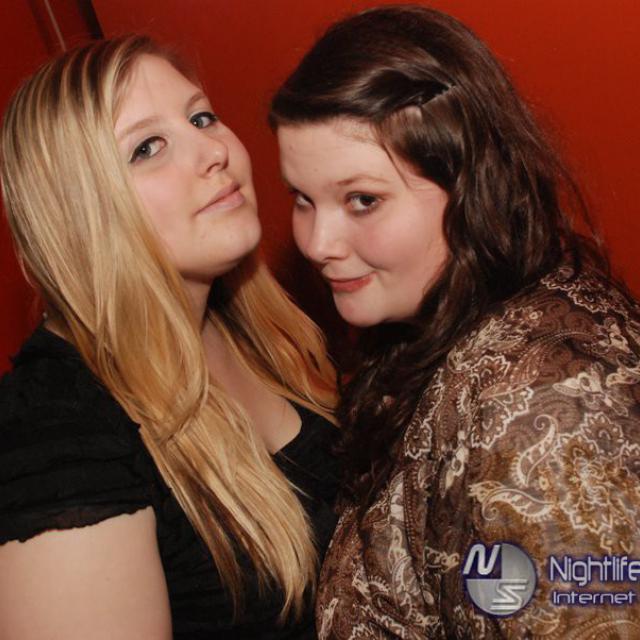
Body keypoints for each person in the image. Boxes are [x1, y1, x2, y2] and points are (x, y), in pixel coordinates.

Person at [270, 5, 640, 639]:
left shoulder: (549, 416)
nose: (317, 243)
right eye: (303, 199)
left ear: (470, 185)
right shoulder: (433, 318)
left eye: (363, 200)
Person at [0, 36, 339, 639]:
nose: (215, 150)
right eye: (147, 147)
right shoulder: (55, 431)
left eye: (201, 117)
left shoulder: (259, 331)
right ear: (79, 212)